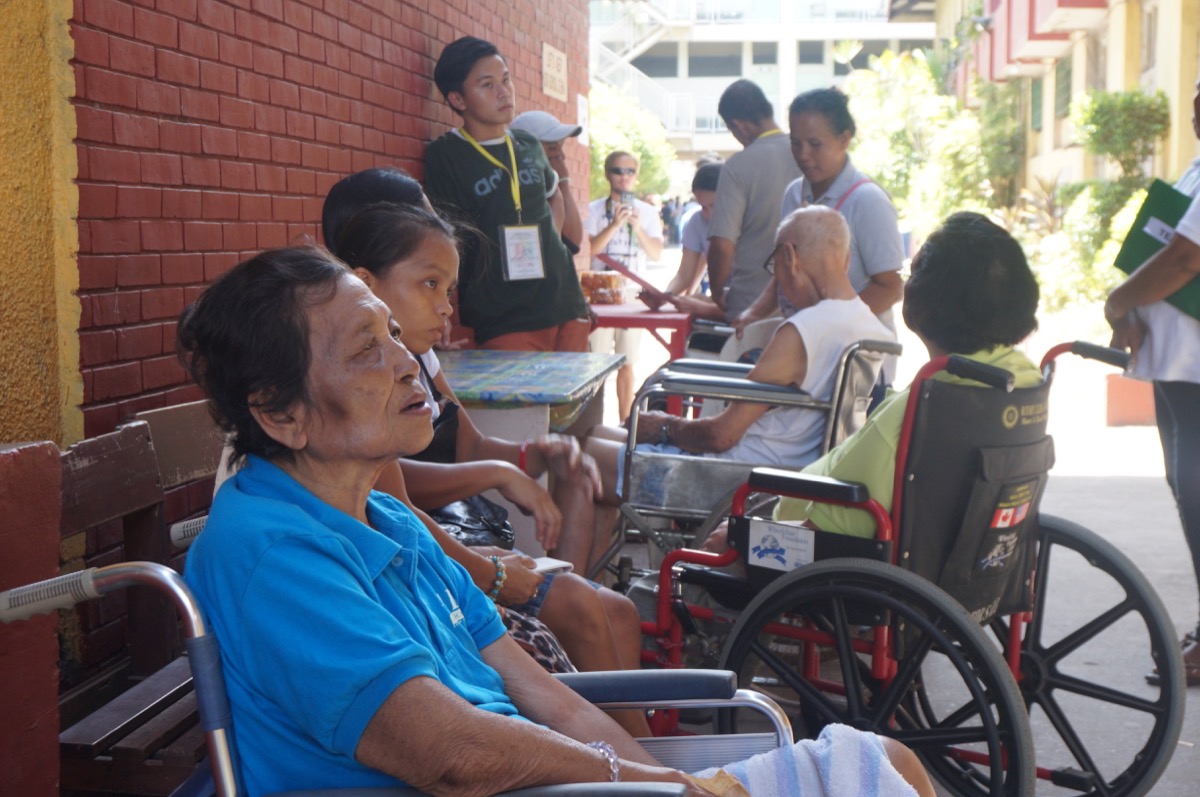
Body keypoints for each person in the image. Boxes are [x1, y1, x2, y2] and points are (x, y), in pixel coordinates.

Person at [177, 245, 935, 797]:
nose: (409, 362)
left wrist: (665, 784)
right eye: (366, 353)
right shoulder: (270, 551)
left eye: (395, 335)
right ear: (281, 412)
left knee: (884, 764)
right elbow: (451, 755)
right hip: (497, 785)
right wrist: (651, 785)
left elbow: (546, 694)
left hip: (550, 783)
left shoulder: (389, 521)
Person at [328, 202, 649, 724]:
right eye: (429, 285)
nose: (446, 307)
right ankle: (646, 764)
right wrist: (493, 570)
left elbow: (463, 443)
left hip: (452, 539)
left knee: (619, 612)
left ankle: (649, 752)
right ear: (367, 284)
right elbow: (394, 504)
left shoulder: (420, 361)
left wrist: (531, 456)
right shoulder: (358, 384)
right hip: (428, 557)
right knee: (580, 608)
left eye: (448, 290)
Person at [586, 206, 894, 511]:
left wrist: (665, 426)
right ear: (846, 259)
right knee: (599, 438)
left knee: (583, 452)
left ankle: (567, 561)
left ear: (788, 256)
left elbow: (721, 435)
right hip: (799, 470)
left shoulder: (805, 330)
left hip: (741, 478)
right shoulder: (873, 329)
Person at [762, 212, 1041, 539]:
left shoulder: (917, 412)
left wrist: (743, 540)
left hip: (828, 556)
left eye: (913, 272)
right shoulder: (1024, 379)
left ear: (925, 303)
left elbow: (823, 534)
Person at [1105, 78, 1200, 685]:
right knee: (1188, 490)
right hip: (1179, 367)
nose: (1196, 107)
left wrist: (1120, 300)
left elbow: (1186, 260)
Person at [734, 87, 904, 403]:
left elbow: (892, 287)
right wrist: (753, 313)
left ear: (844, 139)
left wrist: (826, 328)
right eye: (795, 143)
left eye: (815, 144)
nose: (803, 155)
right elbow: (785, 271)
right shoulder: (793, 194)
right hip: (809, 356)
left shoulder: (867, 201)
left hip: (855, 366)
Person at [424, 36, 589, 352]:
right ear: (458, 99)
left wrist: (549, 239)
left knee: (572, 402)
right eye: (487, 85)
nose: (504, 91)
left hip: (564, 300)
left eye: (505, 79)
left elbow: (552, 193)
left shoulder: (527, 143)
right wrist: (440, 301)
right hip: (503, 313)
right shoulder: (447, 154)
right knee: (523, 402)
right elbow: (443, 236)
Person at [705, 79, 801, 323]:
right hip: (807, 305)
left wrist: (717, 291)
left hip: (751, 306)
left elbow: (722, 245)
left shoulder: (737, 167)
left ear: (739, 125)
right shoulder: (808, 154)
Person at [585, 151, 665, 420]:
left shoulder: (648, 212)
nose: (624, 177)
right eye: (618, 171)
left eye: (630, 172)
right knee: (595, 365)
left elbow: (656, 253)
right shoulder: (595, 209)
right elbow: (589, 250)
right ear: (608, 173)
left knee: (628, 363)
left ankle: (624, 423)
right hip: (601, 293)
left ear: (636, 175)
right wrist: (615, 224)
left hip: (632, 295)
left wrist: (637, 228)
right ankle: (592, 424)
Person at [648, 162, 723, 317]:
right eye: (703, 207)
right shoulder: (697, 221)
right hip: (720, 302)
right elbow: (684, 275)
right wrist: (663, 297)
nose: (708, 214)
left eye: (714, 205)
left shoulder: (750, 220)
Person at [509, 109, 586, 253]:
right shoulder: (519, 189)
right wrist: (562, 183)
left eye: (561, 147)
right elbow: (571, 241)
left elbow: (574, 242)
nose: (561, 156)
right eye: (552, 148)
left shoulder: (550, 190)